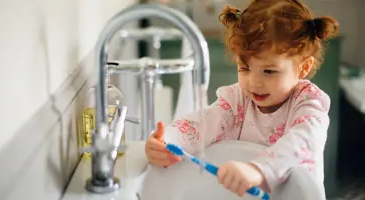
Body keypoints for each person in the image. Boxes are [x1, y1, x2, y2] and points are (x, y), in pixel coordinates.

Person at [144, 0, 339, 197]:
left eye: (269, 71)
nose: (254, 83)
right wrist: (168, 140)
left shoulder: (307, 103)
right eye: (244, 68)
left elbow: (303, 140)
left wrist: (259, 169)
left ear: (303, 68)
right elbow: (204, 122)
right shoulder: (238, 101)